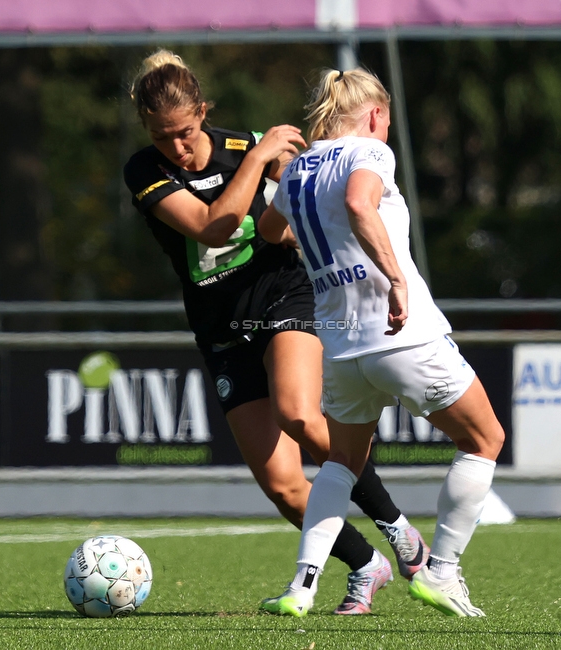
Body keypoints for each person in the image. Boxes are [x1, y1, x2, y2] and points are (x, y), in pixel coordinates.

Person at [122, 50, 429, 615]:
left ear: (203, 113)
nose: (178, 148)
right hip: (219, 323)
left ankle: (399, 528)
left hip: (285, 295)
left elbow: (309, 204)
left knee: (297, 412)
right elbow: (211, 226)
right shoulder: (147, 170)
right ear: (146, 127)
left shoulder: (249, 145)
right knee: (283, 483)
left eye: (187, 133)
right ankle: (366, 564)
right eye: (164, 137)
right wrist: (259, 157)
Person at [257, 68, 506, 618]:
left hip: (341, 347)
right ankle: (441, 572)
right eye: (386, 123)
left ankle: (302, 587)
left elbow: (269, 231)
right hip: (401, 335)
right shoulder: (369, 152)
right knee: (484, 438)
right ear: (375, 116)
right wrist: (394, 278)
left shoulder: (298, 168)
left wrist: (325, 253)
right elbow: (358, 203)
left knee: (340, 463)